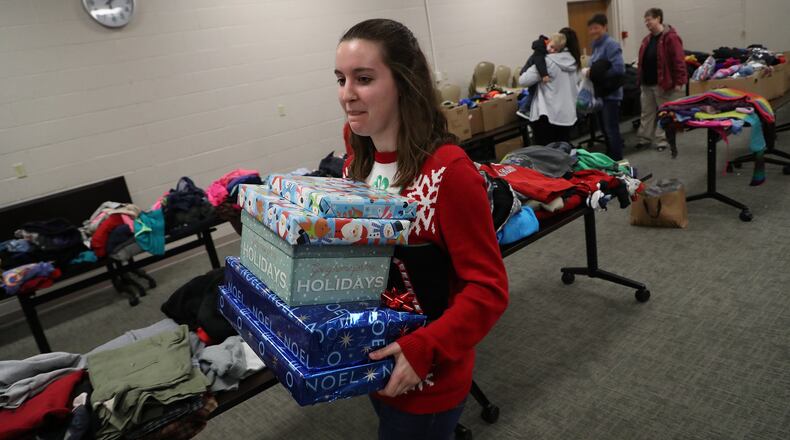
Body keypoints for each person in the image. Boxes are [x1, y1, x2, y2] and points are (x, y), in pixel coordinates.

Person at [334, 19, 509, 440]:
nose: (346, 94)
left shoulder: (449, 174)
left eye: (363, 79)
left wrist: (424, 349)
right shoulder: (354, 161)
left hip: (429, 379)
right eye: (340, 79)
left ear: (404, 82)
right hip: (376, 362)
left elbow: (488, 289)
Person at [634, 8, 687, 151]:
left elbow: (678, 60)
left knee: (664, 113)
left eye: (649, 19)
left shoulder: (671, 38)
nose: (647, 23)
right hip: (646, 83)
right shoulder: (647, 39)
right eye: (645, 20)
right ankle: (644, 138)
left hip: (662, 83)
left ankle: (662, 140)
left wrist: (679, 80)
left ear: (658, 18)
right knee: (646, 113)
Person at [518, 32, 581, 145]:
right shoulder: (574, 61)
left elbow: (523, 80)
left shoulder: (547, 61)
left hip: (548, 115)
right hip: (567, 114)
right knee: (564, 150)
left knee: (547, 154)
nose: (552, 51)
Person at [585, 13, 626, 160]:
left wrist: (596, 72)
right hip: (600, 93)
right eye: (591, 29)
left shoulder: (611, 44)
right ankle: (610, 157)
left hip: (611, 93)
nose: (593, 31)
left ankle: (618, 160)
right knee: (604, 129)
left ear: (604, 27)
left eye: (596, 28)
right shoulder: (595, 45)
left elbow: (619, 69)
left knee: (611, 129)